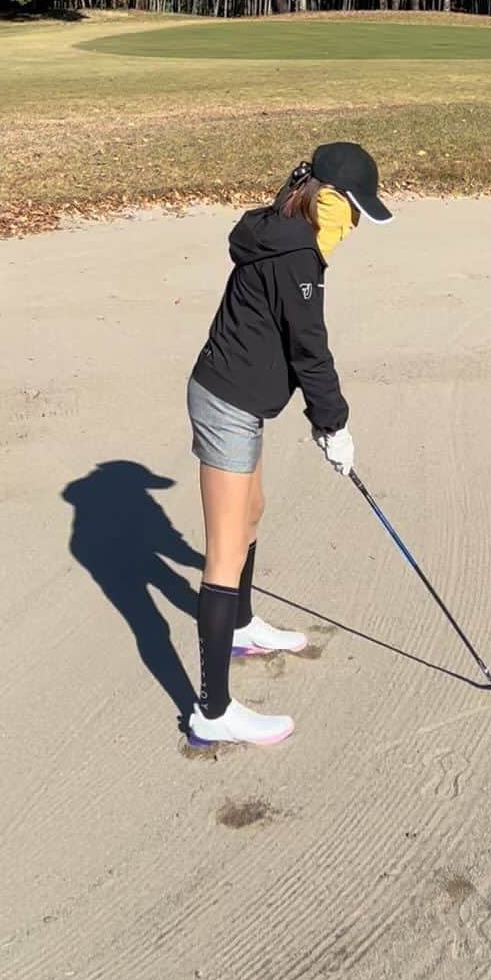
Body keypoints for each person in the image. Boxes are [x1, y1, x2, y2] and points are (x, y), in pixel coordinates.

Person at [186, 141, 392, 746]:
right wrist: (334, 425)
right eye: (352, 209)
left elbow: (296, 340)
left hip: (241, 403)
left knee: (252, 512)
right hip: (226, 405)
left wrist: (325, 422)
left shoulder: (283, 233)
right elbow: (311, 350)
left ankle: (243, 625)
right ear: (325, 198)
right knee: (224, 550)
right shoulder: (296, 255)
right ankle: (212, 711)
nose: (354, 223)